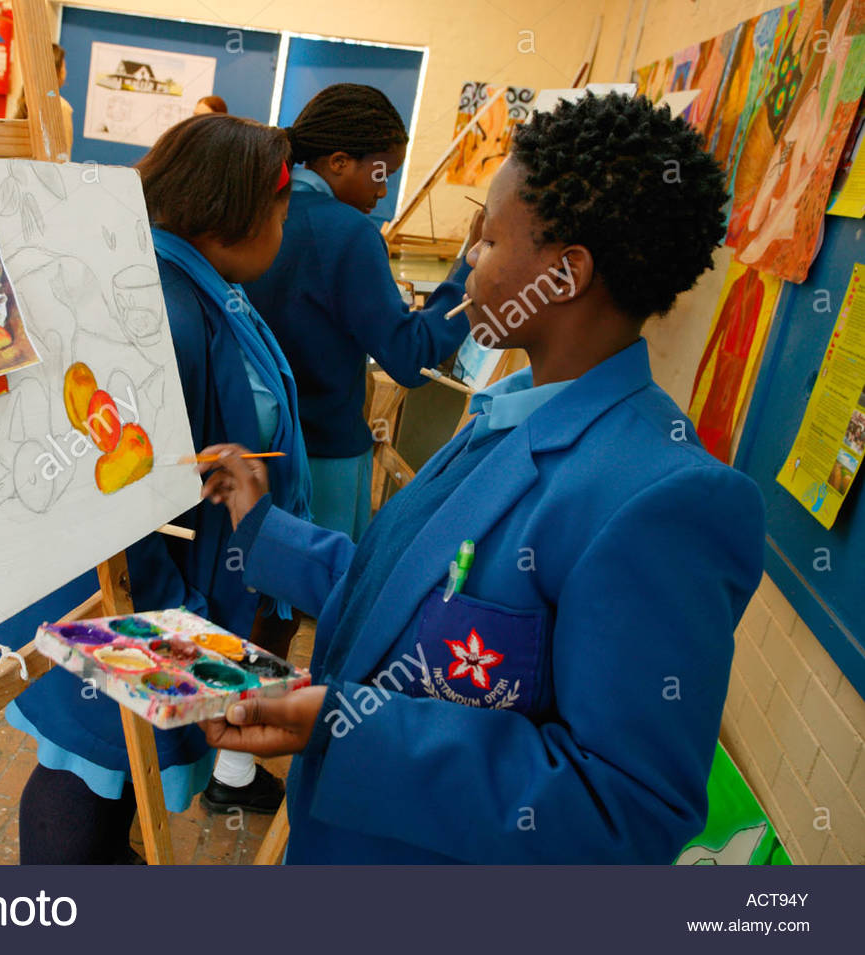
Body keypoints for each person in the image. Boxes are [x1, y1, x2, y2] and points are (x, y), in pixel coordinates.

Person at [195, 92, 766, 863]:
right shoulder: (510, 416)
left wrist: (349, 726)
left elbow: (624, 809)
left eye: (488, 239)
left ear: (565, 274)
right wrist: (262, 525)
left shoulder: (663, 500)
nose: (469, 261)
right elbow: (406, 595)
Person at [5, 113, 312, 862]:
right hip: (135, 599)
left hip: (161, 592)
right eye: (281, 214)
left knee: (107, 780)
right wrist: (177, 627)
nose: (284, 230)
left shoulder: (189, 284)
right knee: (91, 768)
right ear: (238, 214)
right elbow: (115, 500)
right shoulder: (162, 310)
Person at [243, 83, 474, 540]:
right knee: (324, 576)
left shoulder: (257, 210)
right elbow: (410, 357)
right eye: (381, 174)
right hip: (325, 462)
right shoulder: (348, 231)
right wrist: (471, 268)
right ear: (338, 162)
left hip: (252, 451)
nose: (383, 192)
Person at [15, 43, 75, 151]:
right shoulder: (61, 107)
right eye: (64, 66)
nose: (65, 71)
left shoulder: (29, 98)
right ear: (58, 71)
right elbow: (62, 155)